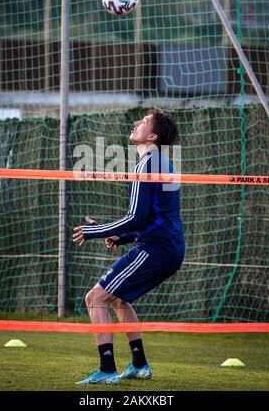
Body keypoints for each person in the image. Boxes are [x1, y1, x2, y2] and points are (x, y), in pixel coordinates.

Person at [73, 108, 185, 385]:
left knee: (95, 298)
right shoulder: (163, 162)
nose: (137, 123)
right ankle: (139, 364)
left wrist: (94, 230)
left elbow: (135, 217)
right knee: (120, 300)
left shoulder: (147, 164)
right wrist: (121, 237)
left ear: (153, 135)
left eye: (144, 122)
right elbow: (151, 218)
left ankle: (107, 370)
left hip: (157, 248)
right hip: (167, 247)